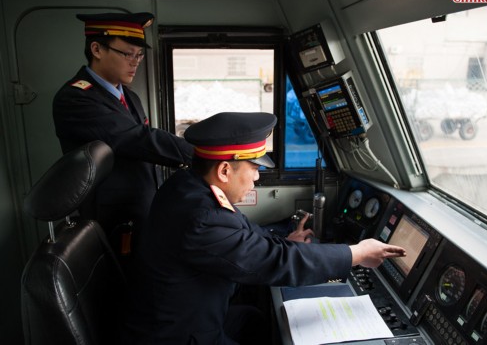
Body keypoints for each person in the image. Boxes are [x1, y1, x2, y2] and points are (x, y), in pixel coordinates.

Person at [122, 112, 406, 344]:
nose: (257, 178)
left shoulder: (187, 185)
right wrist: (354, 254)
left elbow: (242, 231)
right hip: (175, 335)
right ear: (224, 171)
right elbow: (273, 262)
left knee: (255, 320)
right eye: (254, 168)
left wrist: (286, 237)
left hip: (184, 315)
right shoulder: (201, 216)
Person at [52, 12, 194, 251]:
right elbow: (136, 139)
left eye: (139, 55)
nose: (135, 61)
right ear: (97, 49)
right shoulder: (76, 98)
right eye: (128, 54)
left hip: (141, 211)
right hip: (112, 220)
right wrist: (200, 152)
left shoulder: (129, 96)